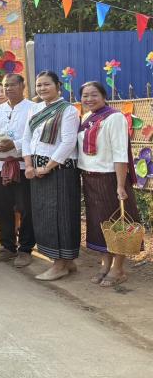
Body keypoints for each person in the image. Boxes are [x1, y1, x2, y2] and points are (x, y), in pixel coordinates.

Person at [78, 81, 141, 287]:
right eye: (85, 95)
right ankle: (105, 264)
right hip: (90, 179)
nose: (89, 99)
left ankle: (118, 268)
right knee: (99, 225)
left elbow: (120, 153)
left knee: (118, 225)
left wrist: (120, 185)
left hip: (110, 179)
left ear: (104, 96)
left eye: (94, 94)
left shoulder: (114, 117)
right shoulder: (86, 118)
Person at [22, 70, 80, 281]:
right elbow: (26, 138)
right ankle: (67, 262)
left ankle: (60, 265)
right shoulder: (35, 109)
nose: (42, 88)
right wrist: (29, 165)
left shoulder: (68, 110)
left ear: (58, 86)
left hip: (60, 171)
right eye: (39, 85)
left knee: (61, 216)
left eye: (47, 84)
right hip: (37, 170)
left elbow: (68, 142)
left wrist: (48, 167)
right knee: (44, 216)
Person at [0, 73, 36, 267]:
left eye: (13, 85)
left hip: (22, 165)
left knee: (25, 208)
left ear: (22, 86)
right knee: (2, 207)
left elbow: (34, 137)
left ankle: (25, 249)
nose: (8, 89)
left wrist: (14, 144)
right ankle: (7, 246)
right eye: (6, 85)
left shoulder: (33, 108)